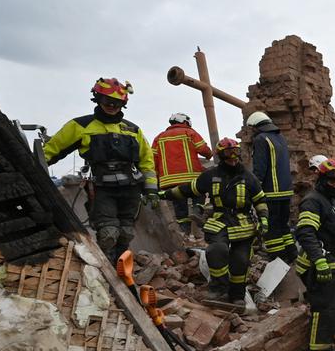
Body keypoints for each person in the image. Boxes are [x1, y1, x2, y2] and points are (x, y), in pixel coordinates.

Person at [44, 77, 155, 262]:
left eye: (116, 102)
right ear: (97, 99)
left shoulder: (133, 130)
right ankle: (108, 270)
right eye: (107, 101)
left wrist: (151, 189)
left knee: (126, 233)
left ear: (123, 103)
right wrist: (32, 165)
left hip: (130, 188)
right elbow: (52, 150)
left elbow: (146, 161)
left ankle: (122, 270)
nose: (111, 105)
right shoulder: (81, 126)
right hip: (102, 188)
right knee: (108, 233)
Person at [162, 138, 267, 303]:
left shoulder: (248, 176)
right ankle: (219, 287)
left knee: (240, 261)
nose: (233, 156)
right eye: (228, 152)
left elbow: (260, 201)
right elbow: (188, 189)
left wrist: (264, 219)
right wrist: (164, 194)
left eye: (236, 151)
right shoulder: (210, 175)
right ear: (220, 155)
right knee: (216, 251)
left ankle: (237, 296)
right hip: (220, 220)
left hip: (243, 224)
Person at [294, 157, 335, 351]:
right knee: (324, 310)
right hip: (317, 265)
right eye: (332, 181)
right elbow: (306, 232)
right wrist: (320, 260)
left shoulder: (329, 201)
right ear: (322, 179)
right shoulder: (313, 201)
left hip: (329, 262)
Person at [247, 111, 295, 262]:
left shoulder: (261, 139)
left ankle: (278, 259)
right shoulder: (280, 138)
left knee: (271, 228)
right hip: (286, 192)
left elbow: (260, 167)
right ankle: (291, 254)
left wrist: (254, 188)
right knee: (283, 226)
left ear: (256, 126)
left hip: (271, 192)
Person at [150, 113, 212, 230]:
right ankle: (197, 211)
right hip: (191, 177)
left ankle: (185, 232)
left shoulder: (159, 137)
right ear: (185, 122)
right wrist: (209, 155)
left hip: (169, 180)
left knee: (179, 206)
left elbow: (153, 159)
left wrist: (156, 178)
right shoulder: (189, 132)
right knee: (198, 194)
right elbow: (203, 149)